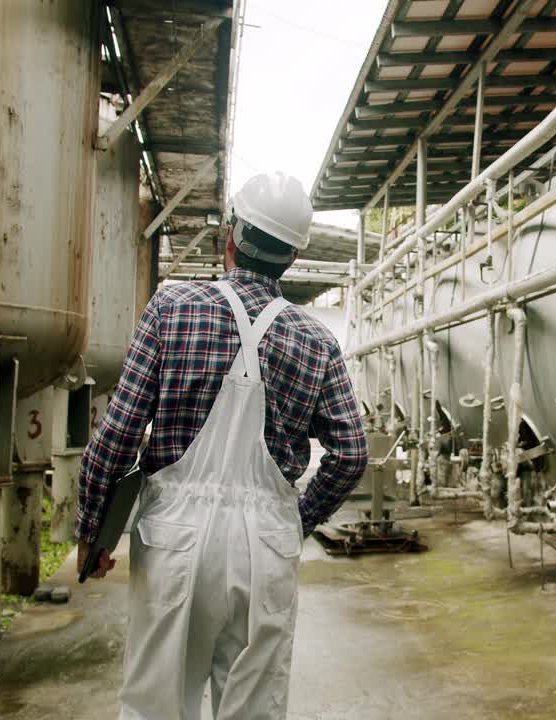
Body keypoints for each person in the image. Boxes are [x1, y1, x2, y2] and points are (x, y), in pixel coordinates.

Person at [75, 172, 369, 720]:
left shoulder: (172, 308)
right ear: (294, 254)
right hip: (266, 547)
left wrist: (94, 533)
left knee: (155, 705)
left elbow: (115, 438)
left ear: (230, 237)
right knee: (253, 708)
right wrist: (296, 521)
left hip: (174, 538)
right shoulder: (317, 340)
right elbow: (352, 453)